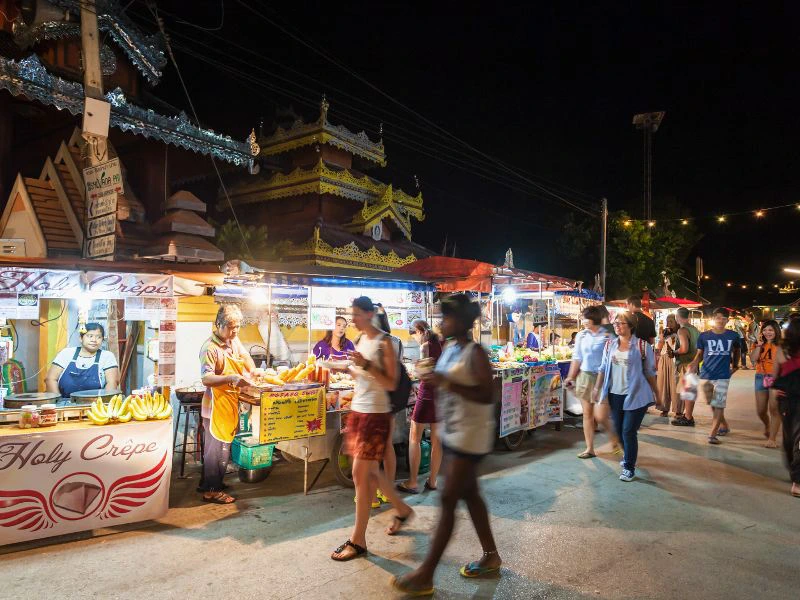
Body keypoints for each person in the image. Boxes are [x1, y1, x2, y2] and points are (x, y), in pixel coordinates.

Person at [391, 294, 500, 596]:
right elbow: (445, 381)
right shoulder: (451, 348)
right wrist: (432, 377)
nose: (441, 323)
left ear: (462, 321)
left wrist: (446, 383)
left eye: (446, 318)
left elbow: (487, 395)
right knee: (471, 496)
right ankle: (491, 556)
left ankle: (425, 574)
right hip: (453, 433)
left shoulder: (475, 353)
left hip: (470, 437)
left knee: (449, 500)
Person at [331, 297, 413, 561]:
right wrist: (350, 369)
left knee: (361, 474)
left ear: (369, 314)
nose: (352, 319)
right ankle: (402, 509)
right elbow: (364, 376)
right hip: (359, 409)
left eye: (356, 314)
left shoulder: (384, 342)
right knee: (368, 474)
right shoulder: (360, 340)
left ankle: (358, 540)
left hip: (376, 413)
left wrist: (366, 365)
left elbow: (390, 383)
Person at [198, 305, 256, 504]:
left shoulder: (233, 340)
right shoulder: (210, 348)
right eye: (231, 327)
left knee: (222, 447)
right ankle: (212, 491)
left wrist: (253, 370)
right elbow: (206, 378)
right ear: (218, 324)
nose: (235, 331)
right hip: (214, 407)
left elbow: (245, 356)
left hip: (229, 403)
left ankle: (210, 483)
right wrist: (231, 377)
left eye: (237, 327)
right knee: (215, 451)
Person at [592, 311, 658, 482]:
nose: (617, 326)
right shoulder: (610, 345)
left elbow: (650, 372)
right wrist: (597, 387)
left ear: (631, 326)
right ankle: (628, 455)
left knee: (628, 431)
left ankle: (629, 467)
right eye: (615, 323)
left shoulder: (643, 346)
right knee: (619, 430)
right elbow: (603, 368)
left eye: (621, 323)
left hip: (636, 394)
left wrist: (657, 393)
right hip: (615, 394)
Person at [564, 306, 620, 459]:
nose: (583, 321)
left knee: (601, 416)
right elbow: (577, 358)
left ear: (593, 319)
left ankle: (614, 438)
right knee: (587, 414)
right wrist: (570, 377)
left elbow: (615, 357)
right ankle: (590, 449)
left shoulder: (607, 336)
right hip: (585, 377)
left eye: (585, 318)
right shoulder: (581, 336)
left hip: (602, 379)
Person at [398, 320, 443, 494]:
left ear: (419, 331)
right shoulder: (443, 343)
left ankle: (413, 482)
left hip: (427, 395)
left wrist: (416, 369)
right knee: (437, 440)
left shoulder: (425, 346)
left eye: (414, 336)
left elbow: (424, 375)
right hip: (442, 395)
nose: (415, 340)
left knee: (414, 437)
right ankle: (433, 481)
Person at [688, 308, 740, 444]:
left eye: (724, 318)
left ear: (727, 320)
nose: (720, 320)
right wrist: (694, 363)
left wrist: (735, 366)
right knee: (711, 402)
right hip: (706, 373)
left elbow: (737, 350)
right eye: (717, 317)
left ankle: (712, 434)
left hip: (723, 375)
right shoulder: (704, 336)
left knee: (719, 404)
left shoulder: (733, 336)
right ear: (713, 319)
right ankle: (724, 425)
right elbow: (699, 354)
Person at [45, 323, 120, 400]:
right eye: (90, 336)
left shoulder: (107, 356)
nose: (94, 340)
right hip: (64, 403)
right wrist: (58, 402)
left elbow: (112, 382)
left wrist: (103, 404)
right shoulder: (66, 353)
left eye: (99, 337)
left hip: (95, 403)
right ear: (81, 338)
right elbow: (50, 379)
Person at [769, 318, 800, 497]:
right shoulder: (783, 349)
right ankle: (797, 476)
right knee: (795, 438)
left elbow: (775, 375)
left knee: (790, 437)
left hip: (786, 398)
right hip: (790, 398)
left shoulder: (783, 349)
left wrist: (775, 390)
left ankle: (796, 476)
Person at [751, 320, 781, 447]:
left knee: (774, 409)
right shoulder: (758, 344)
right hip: (760, 377)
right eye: (765, 330)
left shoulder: (782, 345)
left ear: (776, 331)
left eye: (770, 330)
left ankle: (772, 439)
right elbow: (753, 359)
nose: (767, 332)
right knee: (761, 410)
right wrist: (759, 346)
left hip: (777, 378)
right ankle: (767, 425)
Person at [671, 308, 700, 422]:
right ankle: (688, 415)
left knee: (688, 391)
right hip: (694, 363)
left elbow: (684, 349)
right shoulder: (695, 329)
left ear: (677, 317)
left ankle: (688, 417)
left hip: (685, 364)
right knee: (690, 391)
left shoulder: (682, 330)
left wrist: (674, 352)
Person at [655, 314, 679, 417]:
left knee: (674, 385)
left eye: (671, 321)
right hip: (664, 358)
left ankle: (678, 410)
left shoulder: (680, 332)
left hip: (674, 359)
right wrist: (661, 338)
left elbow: (676, 347)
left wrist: (670, 337)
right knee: (663, 384)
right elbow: (659, 347)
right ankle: (664, 408)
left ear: (677, 322)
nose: (668, 323)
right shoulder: (665, 332)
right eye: (667, 321)